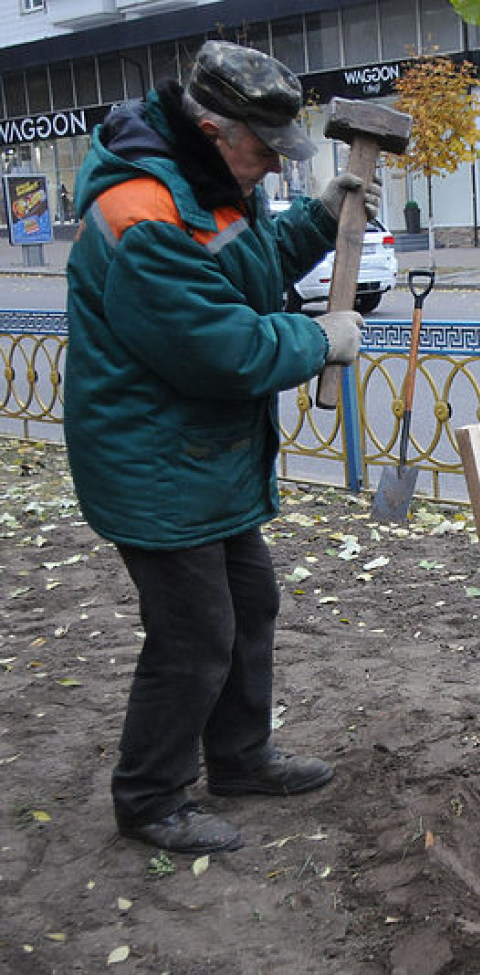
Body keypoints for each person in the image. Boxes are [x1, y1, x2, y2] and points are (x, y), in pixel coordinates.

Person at [64, 40, 379, 855]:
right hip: (151, 464)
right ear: (210, 127)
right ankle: (148, 798)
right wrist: (320, 340)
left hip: (200, 457)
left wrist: (320, 215)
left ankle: (238, 758)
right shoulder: (143, 215)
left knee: (252, 607)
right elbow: (222, 347)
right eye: (263, 149)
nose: (274, 166)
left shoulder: (209, 183)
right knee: (195, 635)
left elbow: (251, 267)